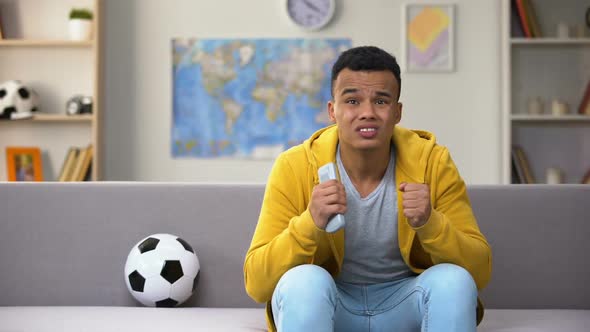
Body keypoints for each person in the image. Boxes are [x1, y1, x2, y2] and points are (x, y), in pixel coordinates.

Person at [243, 46, 492, 332]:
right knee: (305, 280)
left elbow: (479, 273)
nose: (367, 113)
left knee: (454, 281)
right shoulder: (295, 165)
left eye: (381, 101)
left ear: (397, 112)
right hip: (332, 304)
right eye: (352, 100)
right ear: (332, 111)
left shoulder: (433, 162)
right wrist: (310, 223)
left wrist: (430, 223)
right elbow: (257, 283)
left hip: (404, 303)